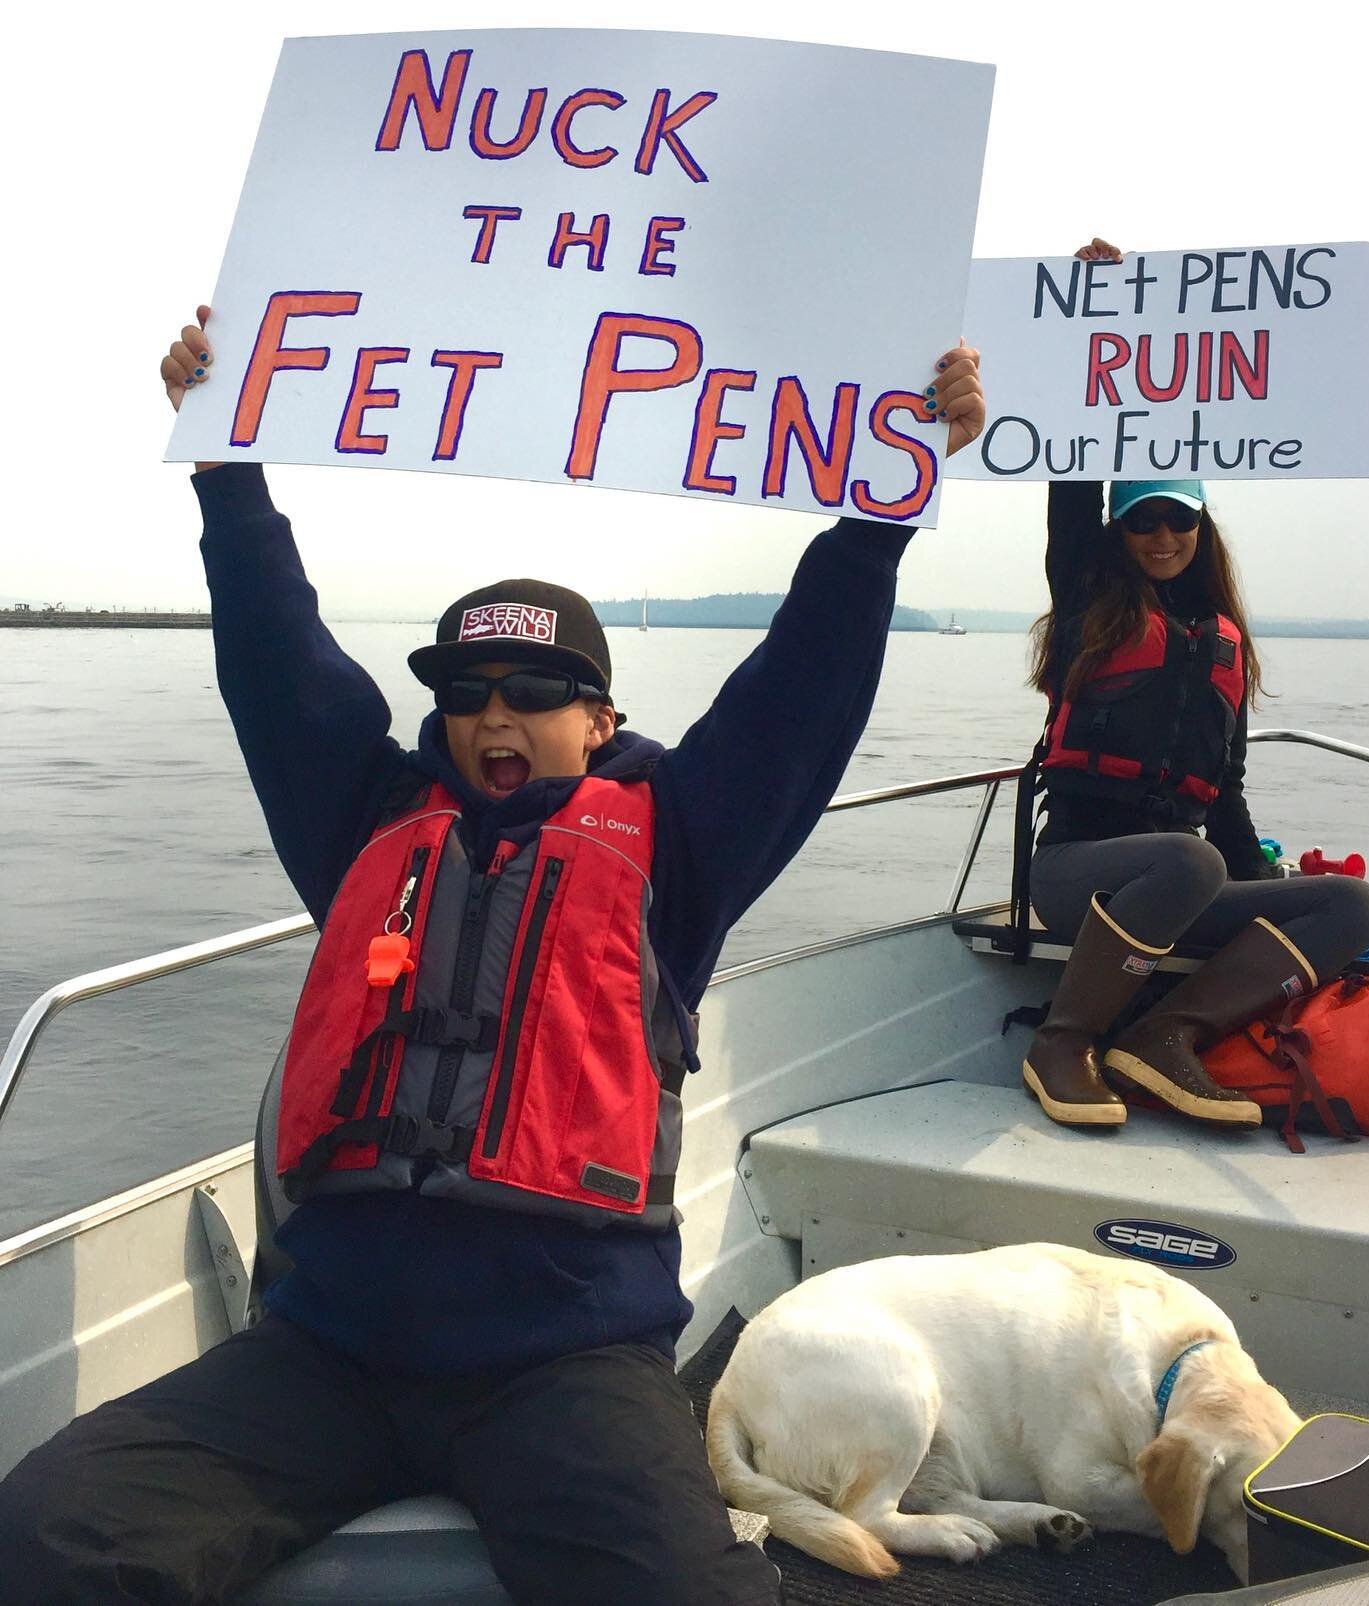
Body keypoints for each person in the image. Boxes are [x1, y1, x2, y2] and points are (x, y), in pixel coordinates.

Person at [0, 309, 984, 1605]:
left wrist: (879, 515)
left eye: (531, 688)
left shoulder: (678, 845)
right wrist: (229, 470)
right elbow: (277, 660)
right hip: (323, 1353)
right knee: (46, 1527)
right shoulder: (364, 823)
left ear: (602, 716)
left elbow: (798, 693)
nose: (494, 715)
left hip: (567, 1366)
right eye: (464, 693)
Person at [1019, 239, 1369, 1131]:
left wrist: (1262, 867)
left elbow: (1225, 791)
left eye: (1176, 518)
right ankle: (1063, 1042)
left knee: (1351, 905)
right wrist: (1096, 313)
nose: (1159, 535)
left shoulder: (1222, 642)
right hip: (1077, 872)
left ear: (1199, 526)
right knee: (1189, 859)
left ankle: (1168, 1036)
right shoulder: (1088, 599)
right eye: (1141, 520)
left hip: (1187, 873)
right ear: (1118, 532)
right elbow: (1073, 476)